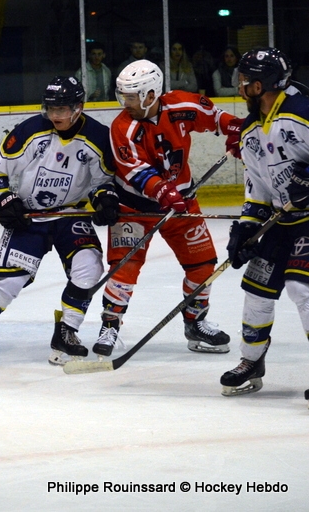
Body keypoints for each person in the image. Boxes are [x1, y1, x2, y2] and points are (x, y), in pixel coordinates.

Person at [0, 76, 118, 367]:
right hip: (31, 215)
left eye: (62, 109)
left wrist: (105, 199)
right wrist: (4, 201)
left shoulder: (97, 137)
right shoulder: (31, 130)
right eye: (51, 108)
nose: (55, 115)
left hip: (71, 215)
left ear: (78, 107)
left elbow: (103, 181)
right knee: (9, 281)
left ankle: (66, 332)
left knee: (89, 268)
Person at [93, 59, 243, 358]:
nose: (125, 103)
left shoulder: (181, 105)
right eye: (123, 96)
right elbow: (135, 171)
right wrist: (163, 190)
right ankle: (110, 326)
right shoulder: (122, 127)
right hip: (133, 207)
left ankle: (195, 322)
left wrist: (238, 131)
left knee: (203, 265)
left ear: (151, 94)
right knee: (124, 268)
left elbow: (217, 117)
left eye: (131, 97)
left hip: (182, 204)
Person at [220, 47, 309, 396]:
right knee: (256, 291)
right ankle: (251, 360)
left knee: (301, 288)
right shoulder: (251, 130)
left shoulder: (301, 112)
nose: (240, 86)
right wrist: (245, 228)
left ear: (260, 85)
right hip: (280, 221)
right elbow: (257, 189)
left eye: (244, 80)